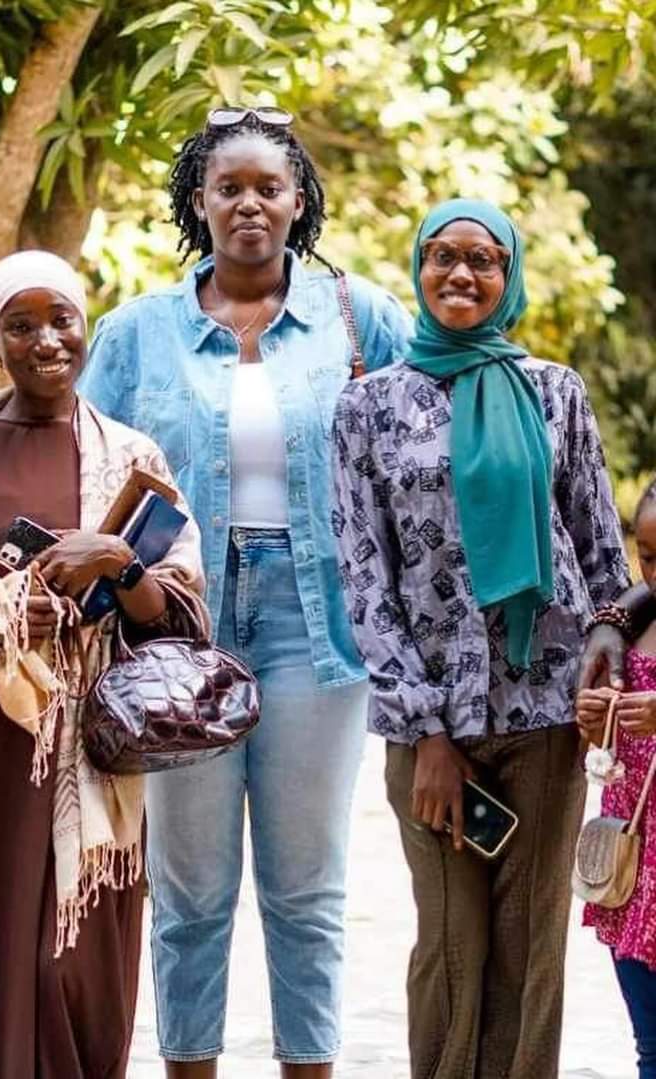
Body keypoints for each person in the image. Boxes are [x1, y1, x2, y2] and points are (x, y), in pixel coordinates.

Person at [78, 107, 412, 1077]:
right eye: (229, 187)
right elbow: (83, 464)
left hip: (318, 624)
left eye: (270, 187)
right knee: (190, 889)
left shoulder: (360, 317)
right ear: (200, 200)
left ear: (299, 200)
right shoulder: (138, 333)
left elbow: (424, 439)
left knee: (307, 888)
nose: (250, 204)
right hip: (179, 627)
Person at [0, 250, 208, 1079]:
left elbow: (177, 619)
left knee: (74, 961)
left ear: (84, 326)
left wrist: (115, 562)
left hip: (93, 737)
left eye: (61, 319)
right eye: (21, 326)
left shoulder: (131, 456)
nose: (47, 340)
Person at [331, 197, 628, 1079]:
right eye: (443, 256)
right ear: (419, 268)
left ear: (509, 276)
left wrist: (612, 656)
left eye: (484, 259)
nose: (461, 273)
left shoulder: (554, 392)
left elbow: (602, 553)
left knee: (531, 947)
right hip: (432, 723)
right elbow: (364, 576)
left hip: (547, 708)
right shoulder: (369, 406)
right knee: (450, 947)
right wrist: (426, 729)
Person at [578, 479, 656, 1079]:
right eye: (648, 556)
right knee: (650, 1046)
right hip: (634, 868)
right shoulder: (632, 627)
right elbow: (607, 747)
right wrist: (594, 720)